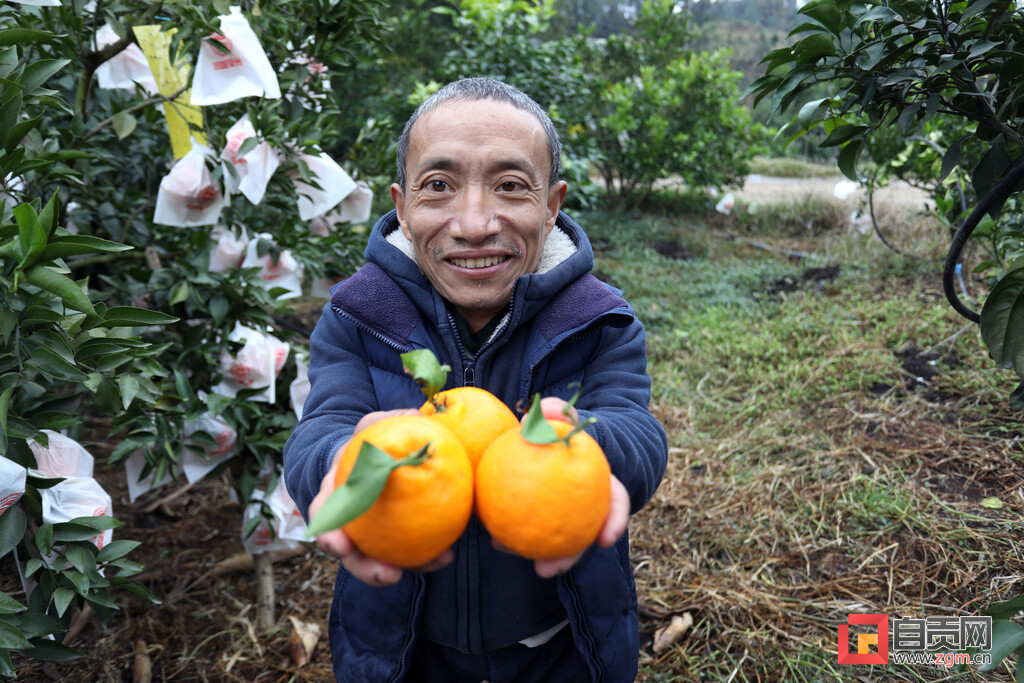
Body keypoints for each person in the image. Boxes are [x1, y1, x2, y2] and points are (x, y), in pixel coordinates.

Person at [283, 77, 668, 683]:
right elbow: (320, 430)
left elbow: (637, 432)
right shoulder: (357, 317)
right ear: (403, 206)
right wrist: (345, 461)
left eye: (511, 187)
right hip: (403, 647)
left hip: (564, 640)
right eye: (438, 186)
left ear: (552, 205)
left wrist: (581, 448)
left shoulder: (598, 319)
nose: (473, 224)